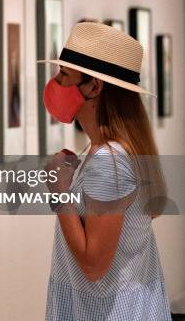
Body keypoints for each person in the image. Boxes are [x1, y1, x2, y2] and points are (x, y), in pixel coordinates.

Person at [40, 22, 170, 320]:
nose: (55, 82)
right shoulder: (112, 152)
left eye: (64, 75)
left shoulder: (108, 163)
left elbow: (94, 265)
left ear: (94, 86)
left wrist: (60, 193)